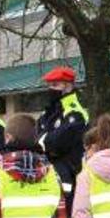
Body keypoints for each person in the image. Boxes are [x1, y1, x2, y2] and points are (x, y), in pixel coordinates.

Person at [35, 66, 89, 210]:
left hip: (69, 177)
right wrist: (45, 142)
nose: (51, 89)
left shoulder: (74, 113)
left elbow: (57, 143)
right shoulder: (49, 112)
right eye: (49, 85)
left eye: (55, 85)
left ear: (68, 86)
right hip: (48, 175)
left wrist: (44, 143)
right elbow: (38, 138)